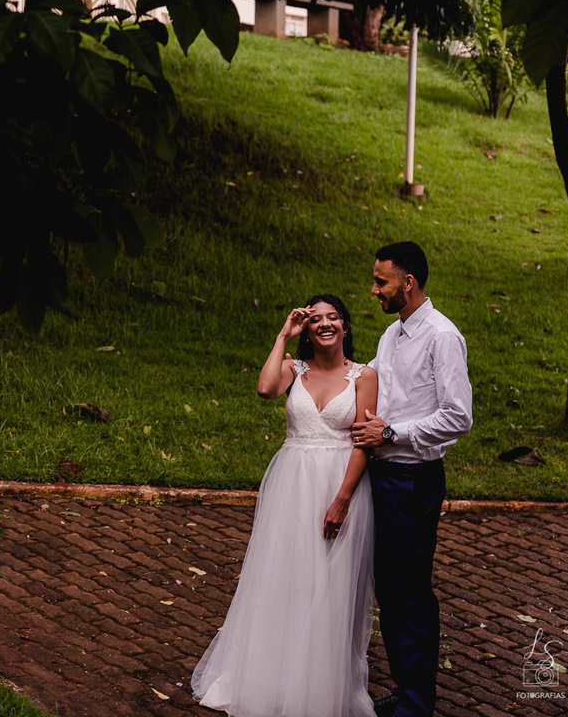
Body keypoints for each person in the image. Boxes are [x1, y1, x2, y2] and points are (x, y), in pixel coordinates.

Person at [192, 295, 378, 717]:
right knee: (287, 577)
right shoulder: (295, 369)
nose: (325, 324)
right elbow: (264, 388)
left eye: (333, 318)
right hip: (292, 485)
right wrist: (282, 335)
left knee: (330, 588)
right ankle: (274, 676)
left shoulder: (365, 376)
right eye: (315, 319)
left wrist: (343, 499)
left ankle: (322, 687)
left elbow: (364, 442)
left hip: (338, 487)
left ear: (345, 326)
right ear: (307, 329)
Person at [352, 241, 472, 717]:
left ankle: (418, 703)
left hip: (414, 480)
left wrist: (395, 431)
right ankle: (405, 689)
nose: (374, 288)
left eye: (381, 281)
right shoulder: (390, 334)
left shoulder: (443, 336)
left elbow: (458, 416)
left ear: (409, 282)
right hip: (381, 477)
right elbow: (365, 378)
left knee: (410, 590)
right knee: (388, 586)